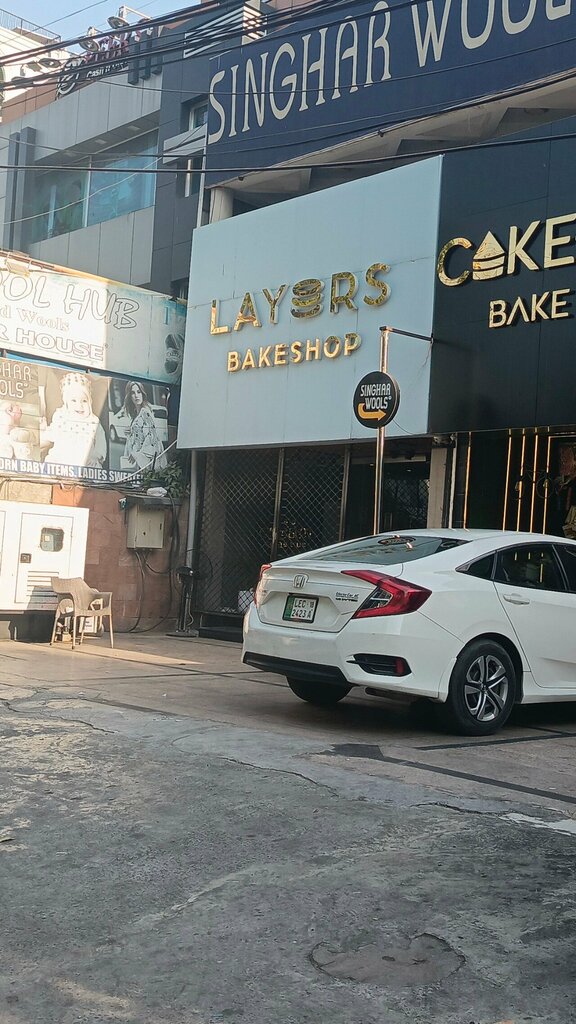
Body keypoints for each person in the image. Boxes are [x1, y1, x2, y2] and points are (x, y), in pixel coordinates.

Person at [42, 372, 106, 468]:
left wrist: (96, 455)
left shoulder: (93, 422)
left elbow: (101, 441)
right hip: (60, 463)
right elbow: (51, 434)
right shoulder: (61, 417)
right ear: (66, 402)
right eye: (73, 401)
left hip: (86, 465)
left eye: (84, 401)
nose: (79, 405)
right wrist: (42, 431)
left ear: (89, 402)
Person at [121, 380, 166, 470]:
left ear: (143, 394)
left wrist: (137, 455)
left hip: (146, 462)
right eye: (133, 393)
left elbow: (151, 438)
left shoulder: (145, 412)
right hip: (139, 462)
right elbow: (139, 436)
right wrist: (130, 433)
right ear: (129, 396)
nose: (136, 395)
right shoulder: (136, 414)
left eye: (139, 392)